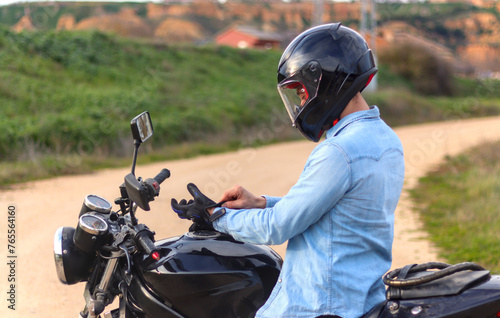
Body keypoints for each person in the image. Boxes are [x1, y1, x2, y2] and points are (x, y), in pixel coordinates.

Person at [171, 23, 405, 318]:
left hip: (320, 306)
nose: (303, 102)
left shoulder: (339, 152)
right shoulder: (386, 140)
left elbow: (278, 227)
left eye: (303, 92)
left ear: (328, 82)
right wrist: (261, 203)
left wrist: (217, 217)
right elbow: (333, 214)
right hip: (360, 299)